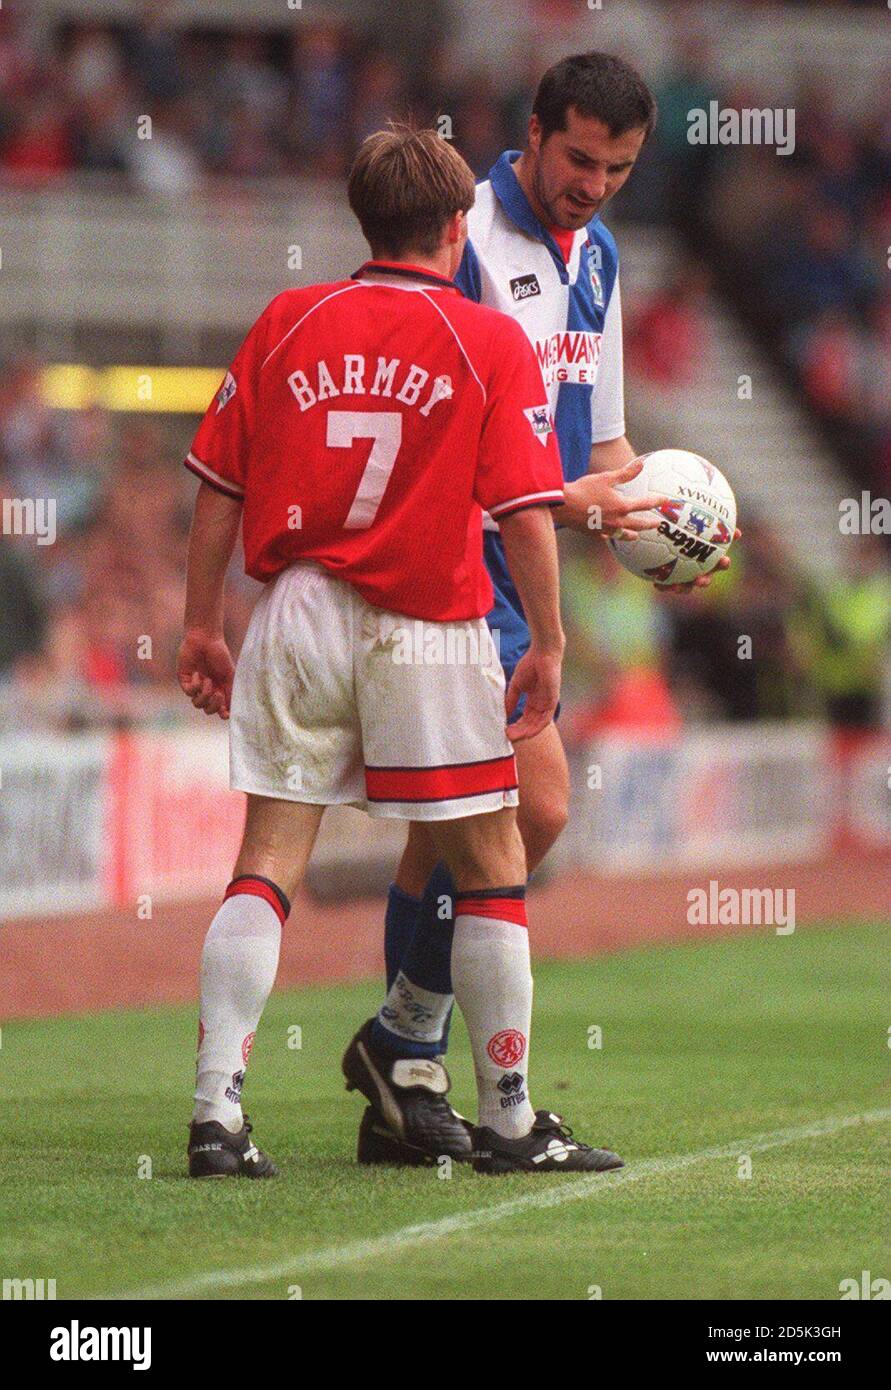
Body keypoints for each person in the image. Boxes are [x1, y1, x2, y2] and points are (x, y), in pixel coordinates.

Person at [177, 123, 623, 1177]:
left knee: (267, 867)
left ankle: (215, 1118)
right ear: (458, 225)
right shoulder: (484, 336)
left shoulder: (288, 320)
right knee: (492, 863)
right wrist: (550, 643)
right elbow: (521, 510)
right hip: (428, 621)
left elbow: (217, 486)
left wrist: (202, 621)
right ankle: (508, 1117)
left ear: (362, 218)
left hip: (296, 610)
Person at [346, 52, 736, 1166]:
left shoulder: (602, 257)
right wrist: (567, 506)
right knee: (541, 807)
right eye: (579, 159)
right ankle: (431, 1060)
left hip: (531, 556)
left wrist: (668, 524)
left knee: (453, 830)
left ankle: (403, 1068)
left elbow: (604, 445)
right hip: (463, 554)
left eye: (617, 167)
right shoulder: (463, 237)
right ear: (532, 134)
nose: (595, 183)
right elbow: (447, 431)